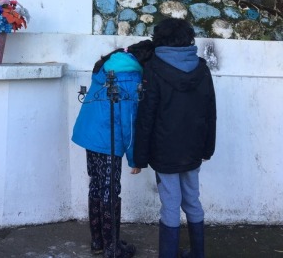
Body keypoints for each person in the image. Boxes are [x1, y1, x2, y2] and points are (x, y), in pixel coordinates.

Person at [134, 19, 216, 258]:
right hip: (193, 149)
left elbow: (146, 115)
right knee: (192, 199)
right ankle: (198, 253)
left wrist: (139, 157)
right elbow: (211, 111)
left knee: (170, 203)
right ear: (188, 38)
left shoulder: (153, 67)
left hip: (164, 150)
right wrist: (207, 149)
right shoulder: (202, 67)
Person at [72, 40, 154, 258]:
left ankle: (99, 241)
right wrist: (134, 159)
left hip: (90, 135)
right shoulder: (130, 75)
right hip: (108, 138)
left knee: (97, 186)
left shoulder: (110, 64)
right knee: (110, 190)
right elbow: (128, 121)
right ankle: (112, 248)